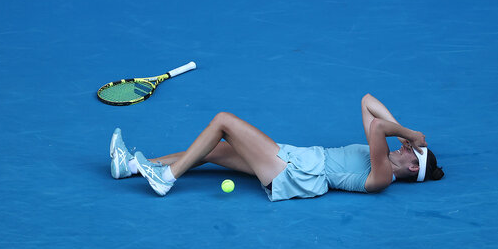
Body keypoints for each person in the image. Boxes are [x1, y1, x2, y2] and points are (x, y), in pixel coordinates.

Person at [109, 94, 444, 201]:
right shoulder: (387, 157)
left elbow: (378, 126)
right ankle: (133, 166)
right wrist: (407, 136)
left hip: (293, 171)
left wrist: (409, 132)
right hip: (293, 159)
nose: (401, 147)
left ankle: (166, 177)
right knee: (211, 149)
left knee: (223, 121)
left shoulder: (383, 175)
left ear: (413, 167)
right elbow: (367, 101)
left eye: (408, 152)